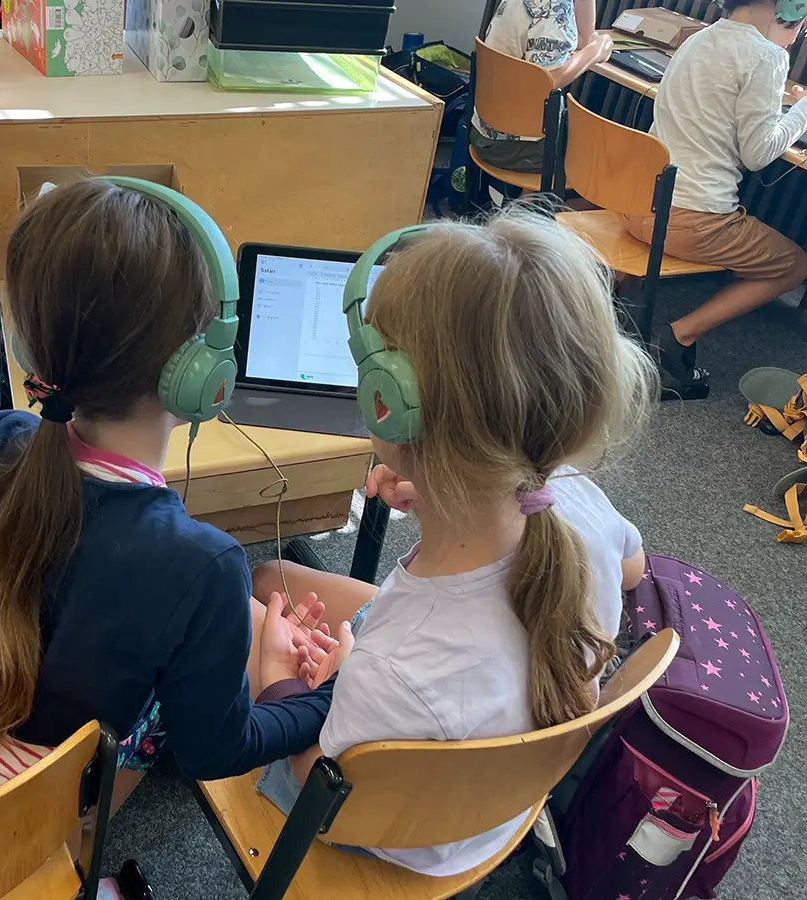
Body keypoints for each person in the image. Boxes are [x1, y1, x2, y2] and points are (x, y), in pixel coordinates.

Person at [0, 179, 335, 837]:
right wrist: (310, 696)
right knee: (169, 685)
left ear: (32, 346)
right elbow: (215, 752)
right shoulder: (204, 567)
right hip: (0, 831)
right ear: (198, 372)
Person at [248, 209, 657, 877]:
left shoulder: (395, 667)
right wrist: (438, 492)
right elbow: (634, 567)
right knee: (271, 578)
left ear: (389, 400)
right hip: (496, 807)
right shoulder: (565, 491)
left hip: (385, 828)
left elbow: (320, 783)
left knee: (241, 612)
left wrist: (283, 687)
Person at [624, 0, 807, 389]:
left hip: (637, 202)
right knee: (794, 265)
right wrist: (803, 110)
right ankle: (680, 336)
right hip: (689, 221)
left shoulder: (698, 37)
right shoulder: (767, 56)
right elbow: (758, 155)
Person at [472, 0, 614, 173]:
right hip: (516, 147)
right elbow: (549, 78)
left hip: (486, 131)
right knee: (609, 164)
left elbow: (582, 39)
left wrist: (591, 47)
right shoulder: (553, 6)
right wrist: (596, 52)